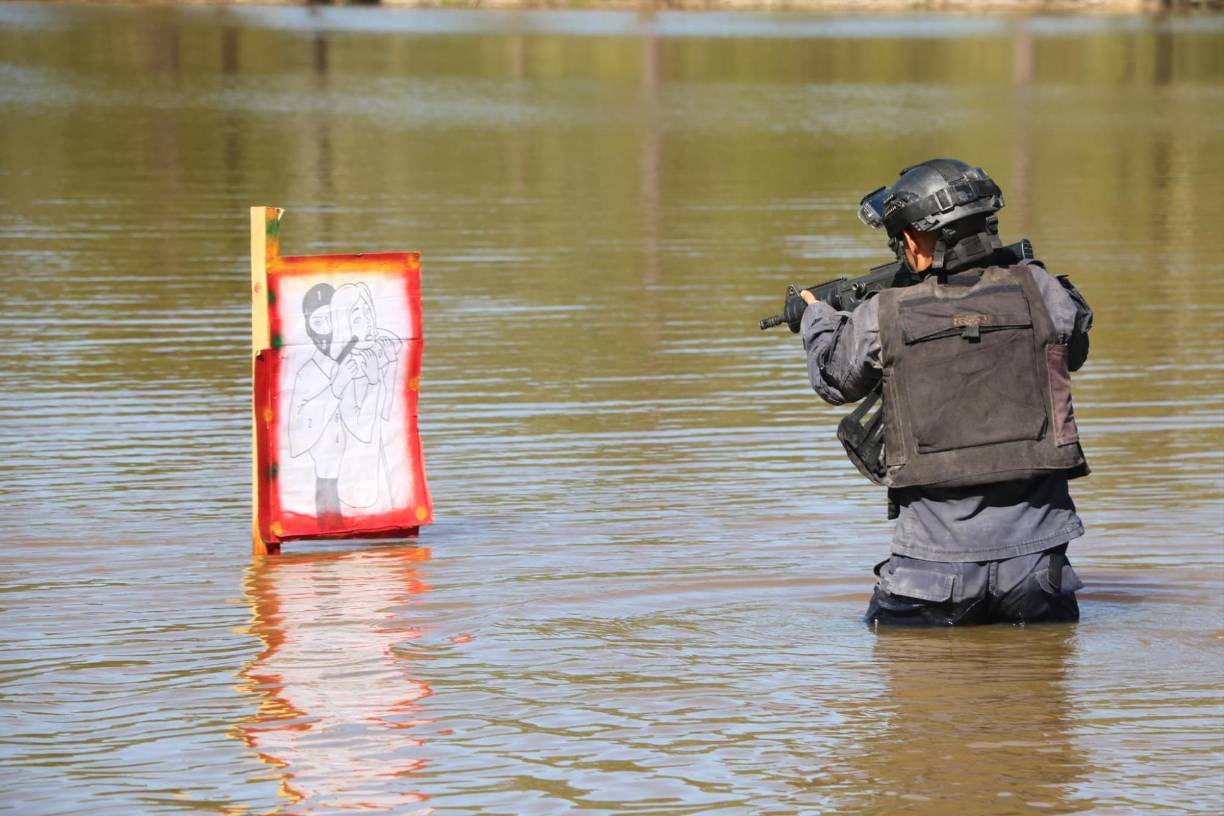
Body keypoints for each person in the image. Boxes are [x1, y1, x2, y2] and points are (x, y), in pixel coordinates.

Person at [798, 159, 1093, 626]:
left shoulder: (882, 314)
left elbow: (834, 382)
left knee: (912, 685)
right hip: (1040, 573)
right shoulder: (1042, 292)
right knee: (1040, 692)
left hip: (929, 576)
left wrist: (817, 318)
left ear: (914, 240)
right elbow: (1073, 348)